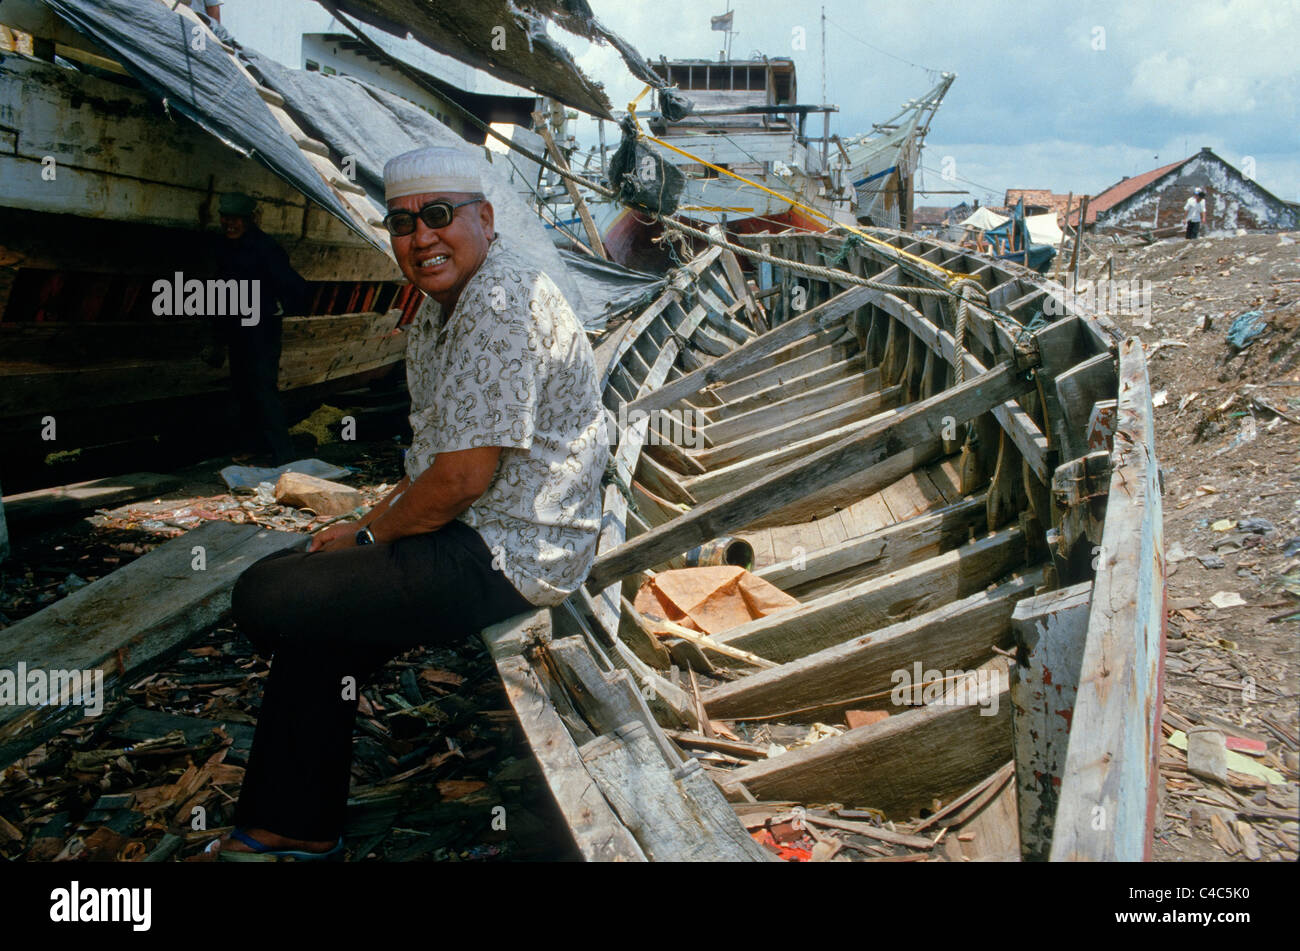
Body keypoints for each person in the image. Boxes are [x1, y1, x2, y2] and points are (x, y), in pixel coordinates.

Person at [208, 147, 609, 860]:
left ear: (483, 219)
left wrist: (366, 542)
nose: (421, 237)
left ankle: (294, 822)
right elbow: (431, 463)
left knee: (264, 593)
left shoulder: (501, 299)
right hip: (472, 533)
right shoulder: (437, 306)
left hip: (515, 550)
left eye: (439, 216)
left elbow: (459, 480)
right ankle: (292, 825)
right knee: (316, 609)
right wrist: (359, 527)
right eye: (402, 223)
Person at [213, 192, 304, 465]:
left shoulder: (266, 248)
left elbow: (294, 286)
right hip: (236, 327)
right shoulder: (223, 248)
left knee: (263, 388)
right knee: (242, 388)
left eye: (236, 219)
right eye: (226, 218)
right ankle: (254, 447)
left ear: (250, 220)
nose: (230, 224)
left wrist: (277, 308)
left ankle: (283, 454)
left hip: (261, 329)